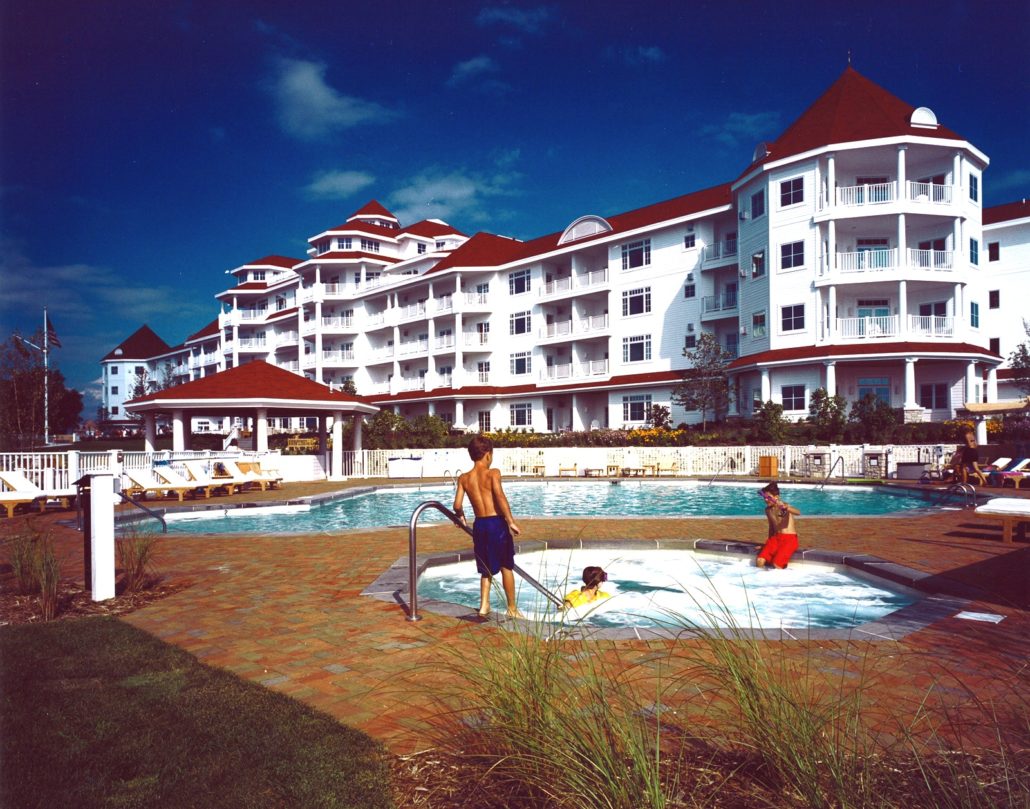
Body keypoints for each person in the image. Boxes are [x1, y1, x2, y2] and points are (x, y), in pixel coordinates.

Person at [453, 435, 522, 618]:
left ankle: (484, 605)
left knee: (485, 568)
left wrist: (461, 517)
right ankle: (512, 608)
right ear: (488, 455)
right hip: (496, 524)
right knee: (506, 565)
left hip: (480, 525)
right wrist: (510, 521)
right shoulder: (493, 473)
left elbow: (457, 505)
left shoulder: (464, 478)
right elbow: (500, 497)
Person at [756, 482, 800, 569]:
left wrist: (787, 508)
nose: (766, 500)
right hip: (776, 538)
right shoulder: (768, 510)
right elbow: (771, 527)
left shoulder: (784, 506)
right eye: (764, 497)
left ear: (776, 497)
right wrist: (768, 543)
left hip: (789, 539)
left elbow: (798, 512)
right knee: (759, 561)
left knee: (776, 564)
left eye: (768, 497)